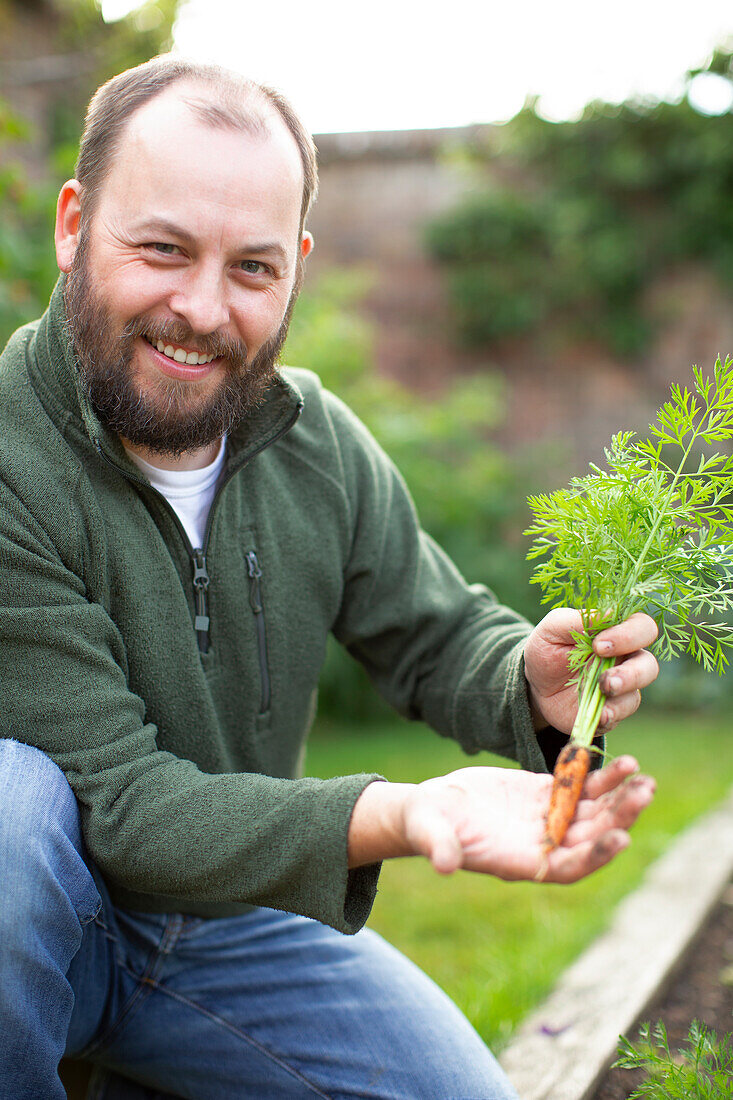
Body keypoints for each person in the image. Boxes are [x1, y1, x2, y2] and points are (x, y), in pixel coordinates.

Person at [0, 56, 658, 1100]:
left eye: (252, 268)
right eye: (162, 249)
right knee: (10, 815)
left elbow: (435, 633)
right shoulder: (8, 461)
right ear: (74, 223)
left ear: (296, 266)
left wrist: (523, 681)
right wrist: (396, 811)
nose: (202, 310)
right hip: (47, 921)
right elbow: (123, 805)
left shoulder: (313, 441)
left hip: (228, 923)